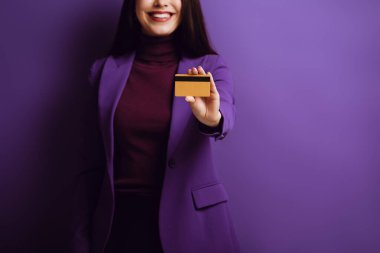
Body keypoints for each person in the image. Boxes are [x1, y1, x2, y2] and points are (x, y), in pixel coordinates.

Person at [87, 0, 240, 252]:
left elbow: (224, 112)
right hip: (119, 229)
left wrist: (212, 119)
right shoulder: (103, 71)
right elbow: (88, 167)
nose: (160, 2)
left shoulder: (207, 66)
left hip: (193, 227)